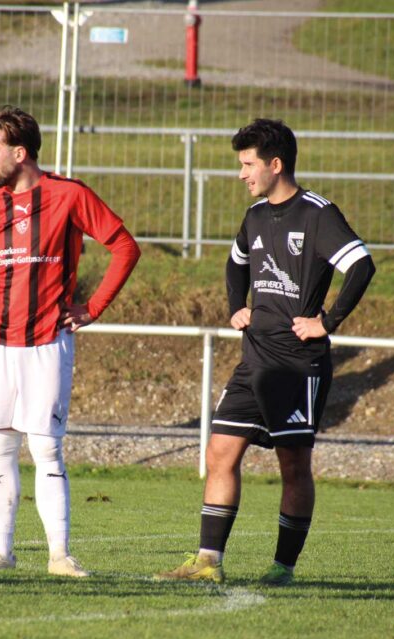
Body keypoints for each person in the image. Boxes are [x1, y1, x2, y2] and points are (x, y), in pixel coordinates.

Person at [156, 118, 375, 586]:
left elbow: (360, 265)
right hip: (253, 359)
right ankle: (207, 561)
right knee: (220, 452)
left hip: (298, 364)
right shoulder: (254, 216)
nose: (242, 174)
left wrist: (327, 322)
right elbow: (235, 264)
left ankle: (282, 567)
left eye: (248, 164)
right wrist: (237, 307)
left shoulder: (317, 214)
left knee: (292, 465)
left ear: (276, 165)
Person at [0, 106, 140, 578]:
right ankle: (0, 554)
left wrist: (93, 307)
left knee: (46, 448)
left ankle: (59, 556)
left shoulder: (69, 194)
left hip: (48, 343)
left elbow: (125, 247)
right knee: (1, 446)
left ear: (20, 152)